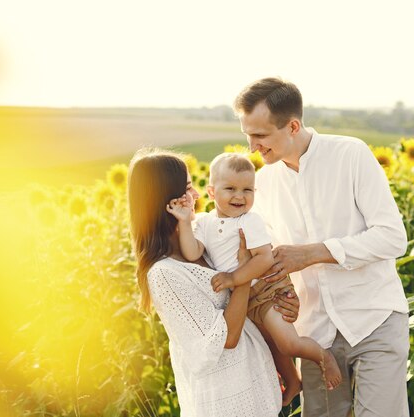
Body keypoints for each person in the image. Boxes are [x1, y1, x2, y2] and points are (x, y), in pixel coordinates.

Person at [234, 78, 410, 417]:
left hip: (374, 317)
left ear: (293, 125)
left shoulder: (350, 154)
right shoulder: (264, 184)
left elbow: (392, 237)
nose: (252, 146)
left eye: (260, 135)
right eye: (247, 135)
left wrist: (313, 253)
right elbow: (267, 256)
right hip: (314, 335)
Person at [127, 147, 300, 417]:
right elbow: (227, 338)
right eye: (187, 188)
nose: (196, 194)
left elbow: (249, 305)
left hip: (258, 394)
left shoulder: (202, 240)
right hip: (225, 405)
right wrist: (243, 274)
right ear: (168, 201)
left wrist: (282, 302)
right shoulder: (164, 274)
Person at [166, 152, 342, 404]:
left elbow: (264, 259)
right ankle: (293, 381)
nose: (240, 196)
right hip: (245, 297)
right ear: (212, 192)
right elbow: (192, 251)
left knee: (288, 344)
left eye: (248, 190)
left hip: (266, 289)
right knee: (270, 344)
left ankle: (323, 357)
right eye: (231, 189)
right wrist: (184, 222)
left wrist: (234, 278)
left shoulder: (249, 221)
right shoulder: (204, 223)